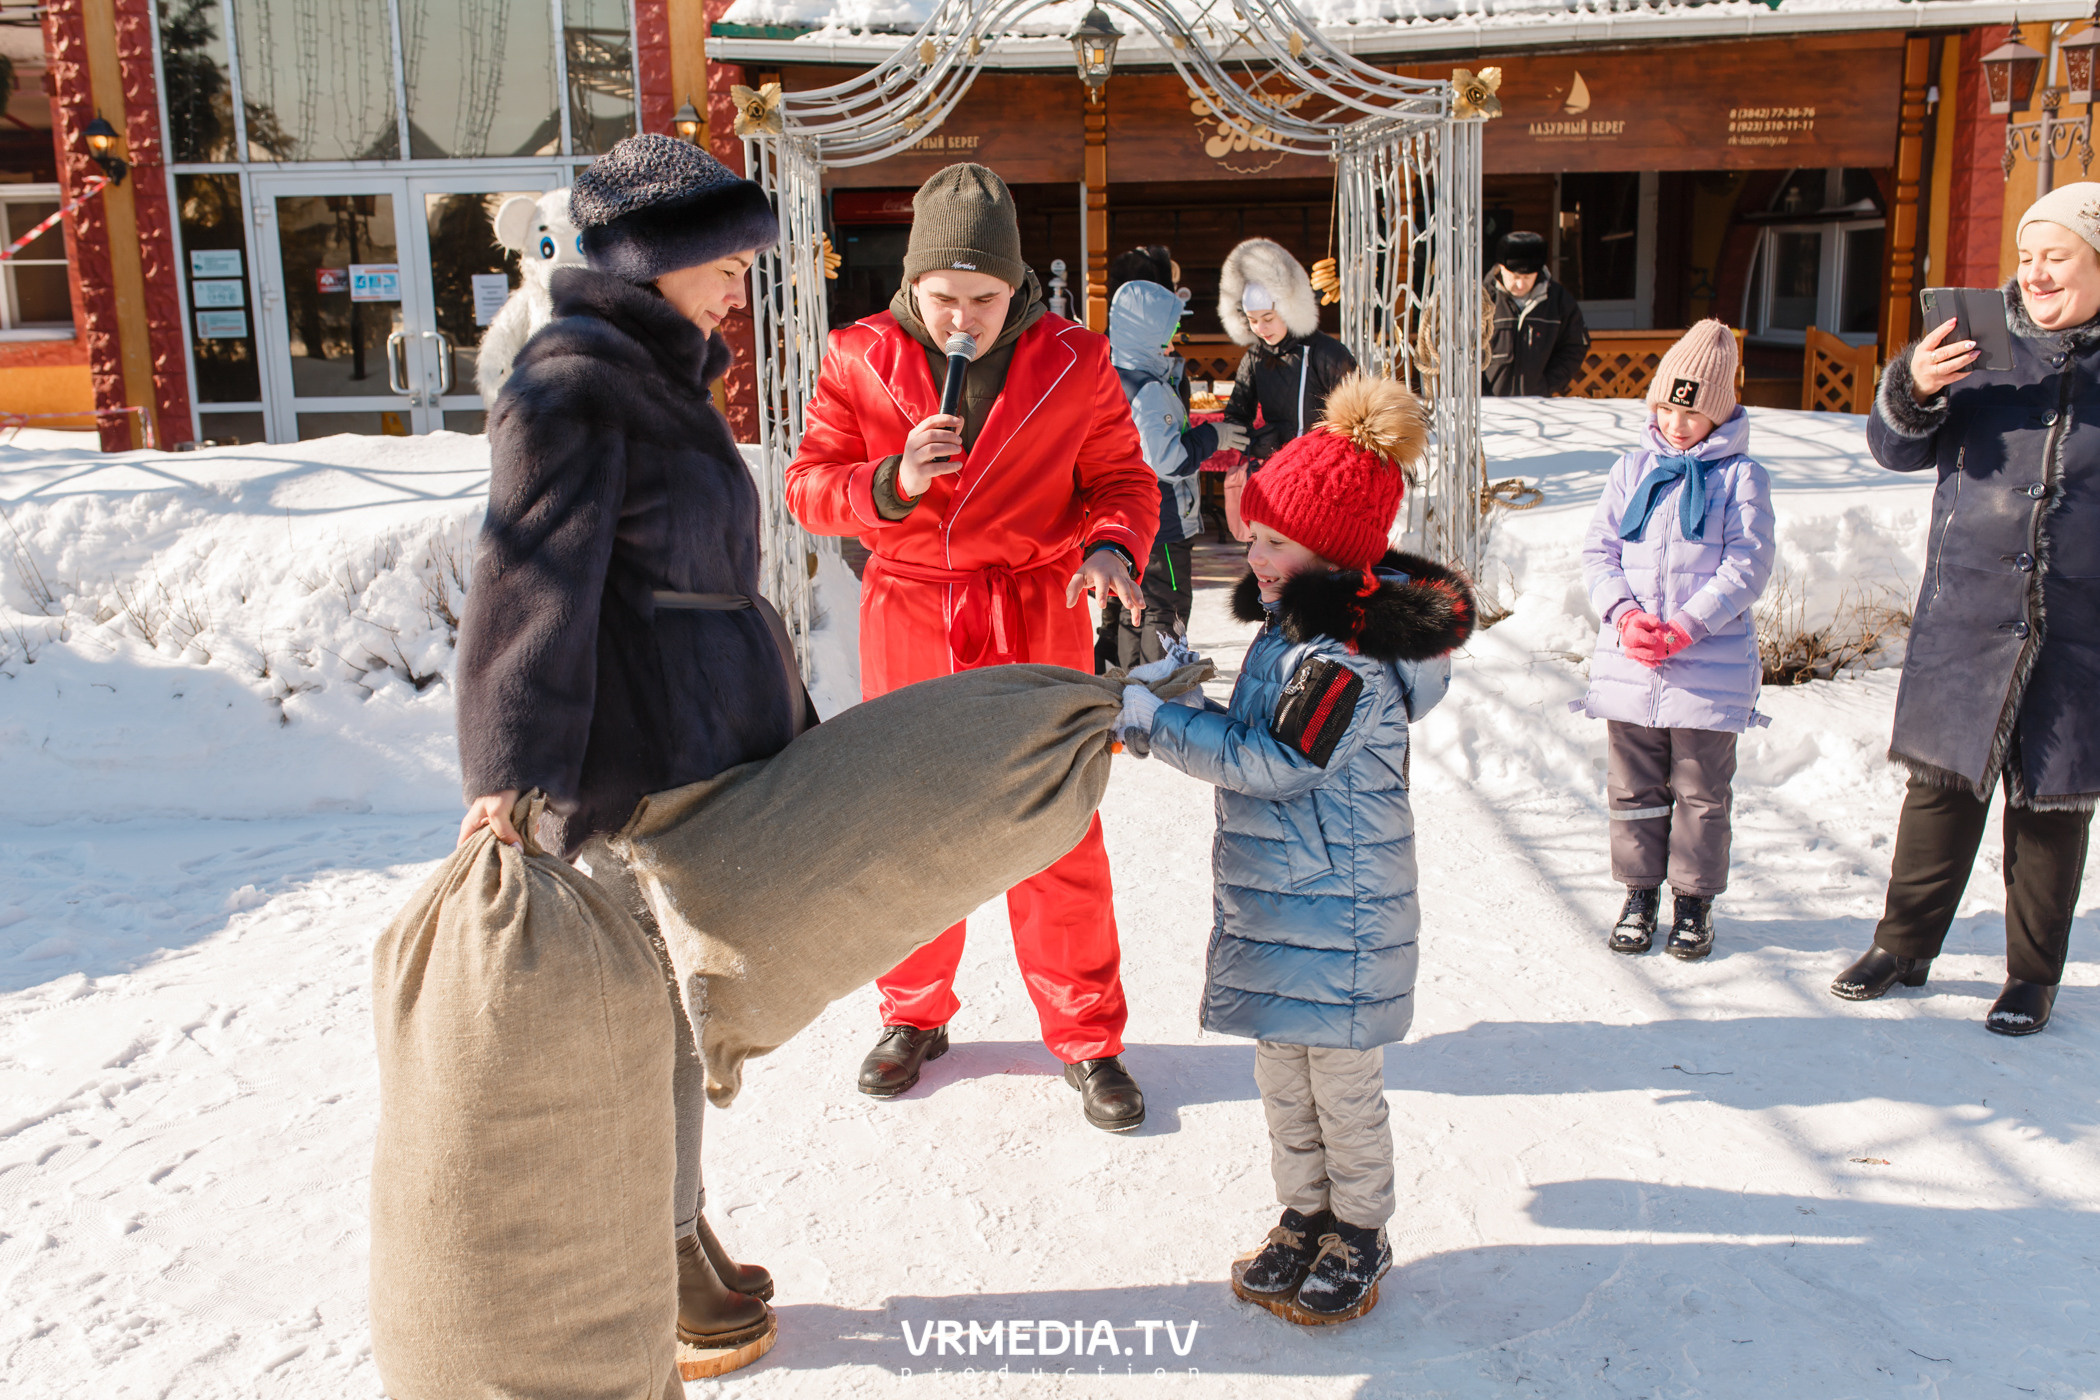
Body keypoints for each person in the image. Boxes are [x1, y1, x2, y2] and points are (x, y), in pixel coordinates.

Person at [452, 134, 797, 1364]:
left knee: (673, 1018)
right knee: (641, 1023)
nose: (743, 282)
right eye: (728, 259)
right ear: (660, 259)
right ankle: (654, 1251)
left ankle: (683, 1226)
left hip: (691, 740)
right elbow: (528, 583)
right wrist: (509, 772)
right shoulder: (573, 379)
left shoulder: (652, 371)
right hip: (626, 759)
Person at [785, 163, 1162, 1130]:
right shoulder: (858, 356)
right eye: (942, 296)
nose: (963, 318)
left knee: (1057, 826)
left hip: (1038, 607)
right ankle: (913, 1013)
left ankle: (1088, 1036)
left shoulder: (1074, 361)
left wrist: (1113, 548)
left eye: (985, 298)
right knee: (905, 827)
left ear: (1018, 284)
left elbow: (1123, 480)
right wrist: (889, 481)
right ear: (911, 283)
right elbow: (809, 487)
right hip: (910, 610)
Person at [1113, 373, 1472, 1323]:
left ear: (1334, 552)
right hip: (1284, 904)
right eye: (1254, 536)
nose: (1252, 555)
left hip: (1339, 915)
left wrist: (1160, 726)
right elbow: (1255, 720)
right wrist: (1184, 695)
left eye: (1273, 541)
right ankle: (1303, 1216)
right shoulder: (1291, 631)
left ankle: (1360, 1229)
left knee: (1343, 1093)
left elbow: (1275, 762)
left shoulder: (1348, 664)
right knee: (1284, 1082)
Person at [1833, 183, 2100, 1036]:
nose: (2037, 273)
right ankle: (1903, 947)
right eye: (2027, 257)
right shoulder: (1977, 347)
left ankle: (2032, 976)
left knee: (2052, 806)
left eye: (2058, 257)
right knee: (1941, 788)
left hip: (2077, 622)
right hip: (1967, 607)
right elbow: (1892, 447)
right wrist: (1912, 383)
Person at [1575, 321, 1775, 960]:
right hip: (1632, 663)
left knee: (1700, 791)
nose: (1678, 422)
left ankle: (1693, 903)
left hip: (1705, 665)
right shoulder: (1631, 469)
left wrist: (1689, 625)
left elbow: (1748, 563)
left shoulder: (1741, 478)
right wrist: (1624, 615)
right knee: (1633, 788)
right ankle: (1639, 893)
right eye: (1667, 406)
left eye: (1693, 412)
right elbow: (1599, 551)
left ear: (1719, 413)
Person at [1107, 277, 1248, 666]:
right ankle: (1161, 688)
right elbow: (1167, 460)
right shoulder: (1148, 390)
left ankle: (1132, 685)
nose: (1171, 346)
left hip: (1127, 513)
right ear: (1145, 335)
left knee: (1133, 606)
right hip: (1163, 517)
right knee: (1164, 606)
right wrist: (1212, 437)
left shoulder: (1111, 375)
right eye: (1165, 338)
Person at [1218, 237, 1357, 467]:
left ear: (1288, 309)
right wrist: (1254, 442)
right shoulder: (1255, 357)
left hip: (1321, 469)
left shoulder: (1326, 353)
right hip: (1276, 469)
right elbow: (1237, 414)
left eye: (1268, 319)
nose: (1260, 329)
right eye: (1252, 320)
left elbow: (1357, 418)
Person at [1483, 230, 1589, 398]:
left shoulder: (1559, 301)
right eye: (1515, 276)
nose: (1520, 284)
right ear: (1501, 268)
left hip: (1536, 401)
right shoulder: (1481, 299)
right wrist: (1479, 390)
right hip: (1488, 405)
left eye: (1527, 277)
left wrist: (1547, 385)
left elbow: (1574, 346)